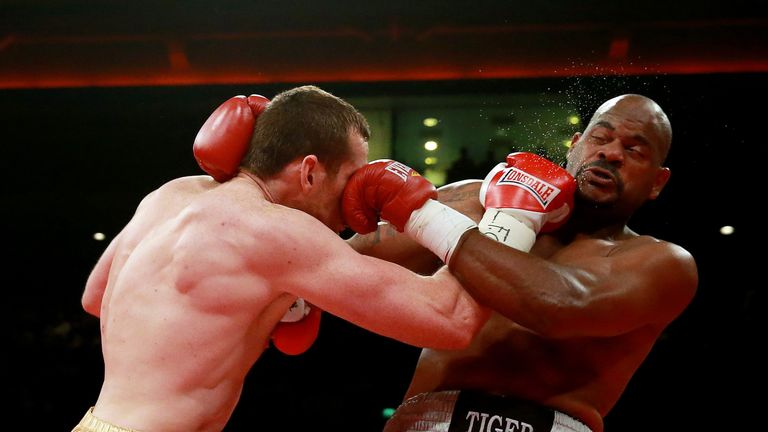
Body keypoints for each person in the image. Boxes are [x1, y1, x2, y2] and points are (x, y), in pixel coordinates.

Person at [72, 85, 492, 432]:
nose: (354, 199)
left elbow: (95, 297)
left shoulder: (173, 192)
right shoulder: (274, 231)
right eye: (350, 178)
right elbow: (450, 320)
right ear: (309, 172)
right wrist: (511, 217)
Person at [345, 94, 698, 432]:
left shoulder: (662, 263)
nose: (611, 153)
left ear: (657, 181)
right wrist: (297, 294)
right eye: (600, 137)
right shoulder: (485, 200)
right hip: (428, 417)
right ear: (574, 145)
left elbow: (560, 305)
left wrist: (424, 215)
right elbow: (347, 261)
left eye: (633, 150)